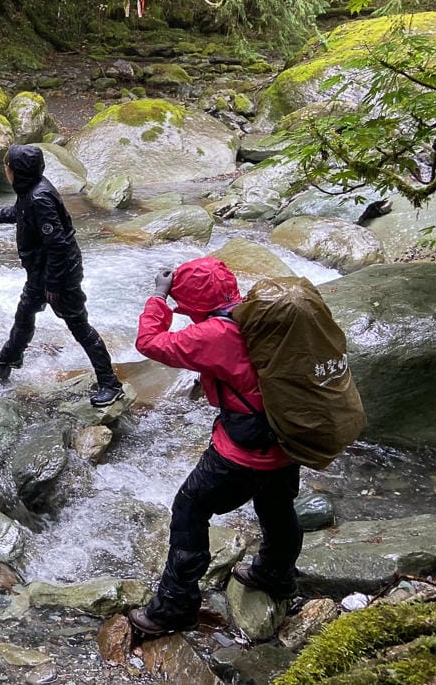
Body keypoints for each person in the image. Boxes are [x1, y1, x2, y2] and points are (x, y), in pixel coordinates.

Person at [127, 256, 301, 638]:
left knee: (190, 509)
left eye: (185, 307)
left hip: (244, 449)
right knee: (276, 505)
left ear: (194, 304)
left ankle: (174, 607)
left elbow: (149, 343)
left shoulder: (214, 334)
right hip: (288, 437)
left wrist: (158, 296)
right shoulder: (257, 314)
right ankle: (276, 574)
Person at [0, 144, 124, 407]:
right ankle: (12, 355)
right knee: (25, 311)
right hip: (41, 271)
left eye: (7, 167)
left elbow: (58, 245)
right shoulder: (30, 190)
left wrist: (54, 284)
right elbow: (16, 214)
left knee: (79, 326)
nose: (6, 171)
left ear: (16, 171)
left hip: (60, 274)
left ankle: (110, 384)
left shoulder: (40, 197)